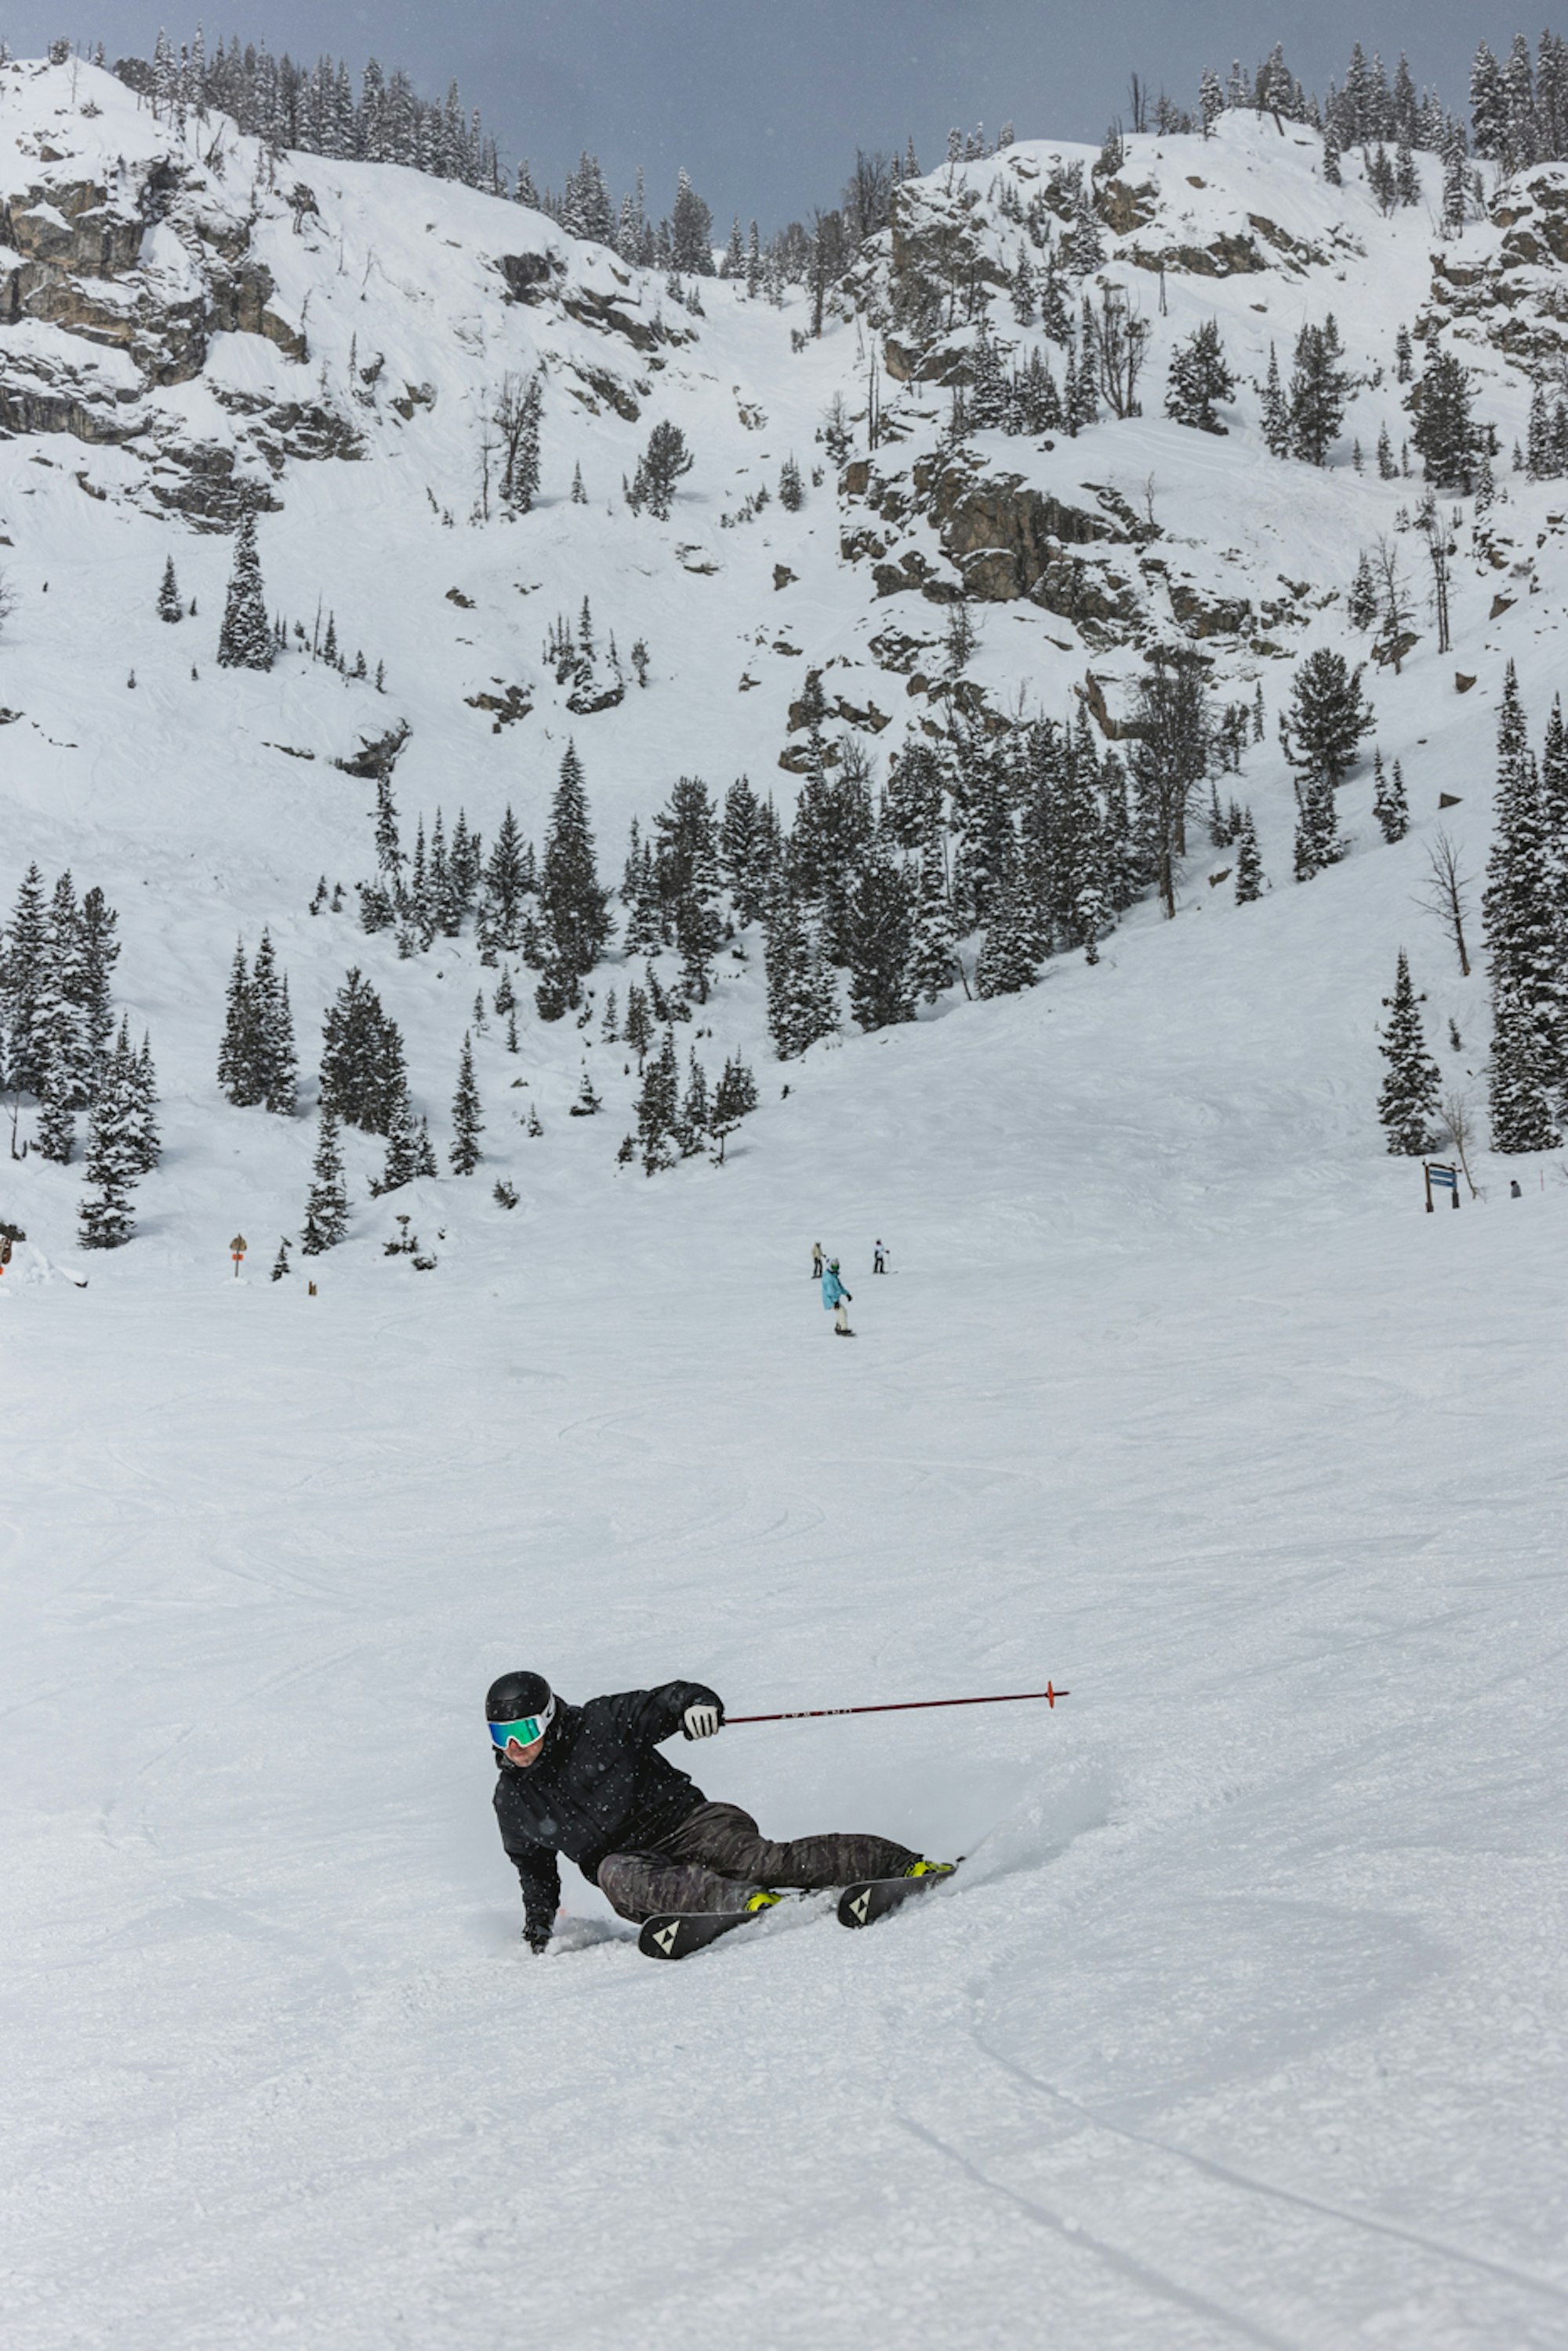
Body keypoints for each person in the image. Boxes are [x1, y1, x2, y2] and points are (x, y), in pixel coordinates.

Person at [487, 1670, 951, 1942]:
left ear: (548, 1719)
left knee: (762, 1860)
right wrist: (538, 1929)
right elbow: (535, 1870)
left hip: (688, 1823)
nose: (514, 1747)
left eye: (524, 1732)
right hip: (633, 1864)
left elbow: (666, 1701)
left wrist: (696, 1705)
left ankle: (904, 1865)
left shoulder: (600, 1724)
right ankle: (743, 1902)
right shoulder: (513, 1801)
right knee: (615, 1875)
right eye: (500, 1736)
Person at [821, 1256, 853, 1336]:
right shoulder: (828, 1278)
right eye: (833, 1267)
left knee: (843, 1311)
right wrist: (835, 1301)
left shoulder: (834, 1276)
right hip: (830, 1300)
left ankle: (839, 1326)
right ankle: (843, 1329)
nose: (835, 1268)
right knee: (841, 1312)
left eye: (836, 1266)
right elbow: (830, 1292)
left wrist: (847, 1294)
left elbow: (839, 1287)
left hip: (834, 1300)